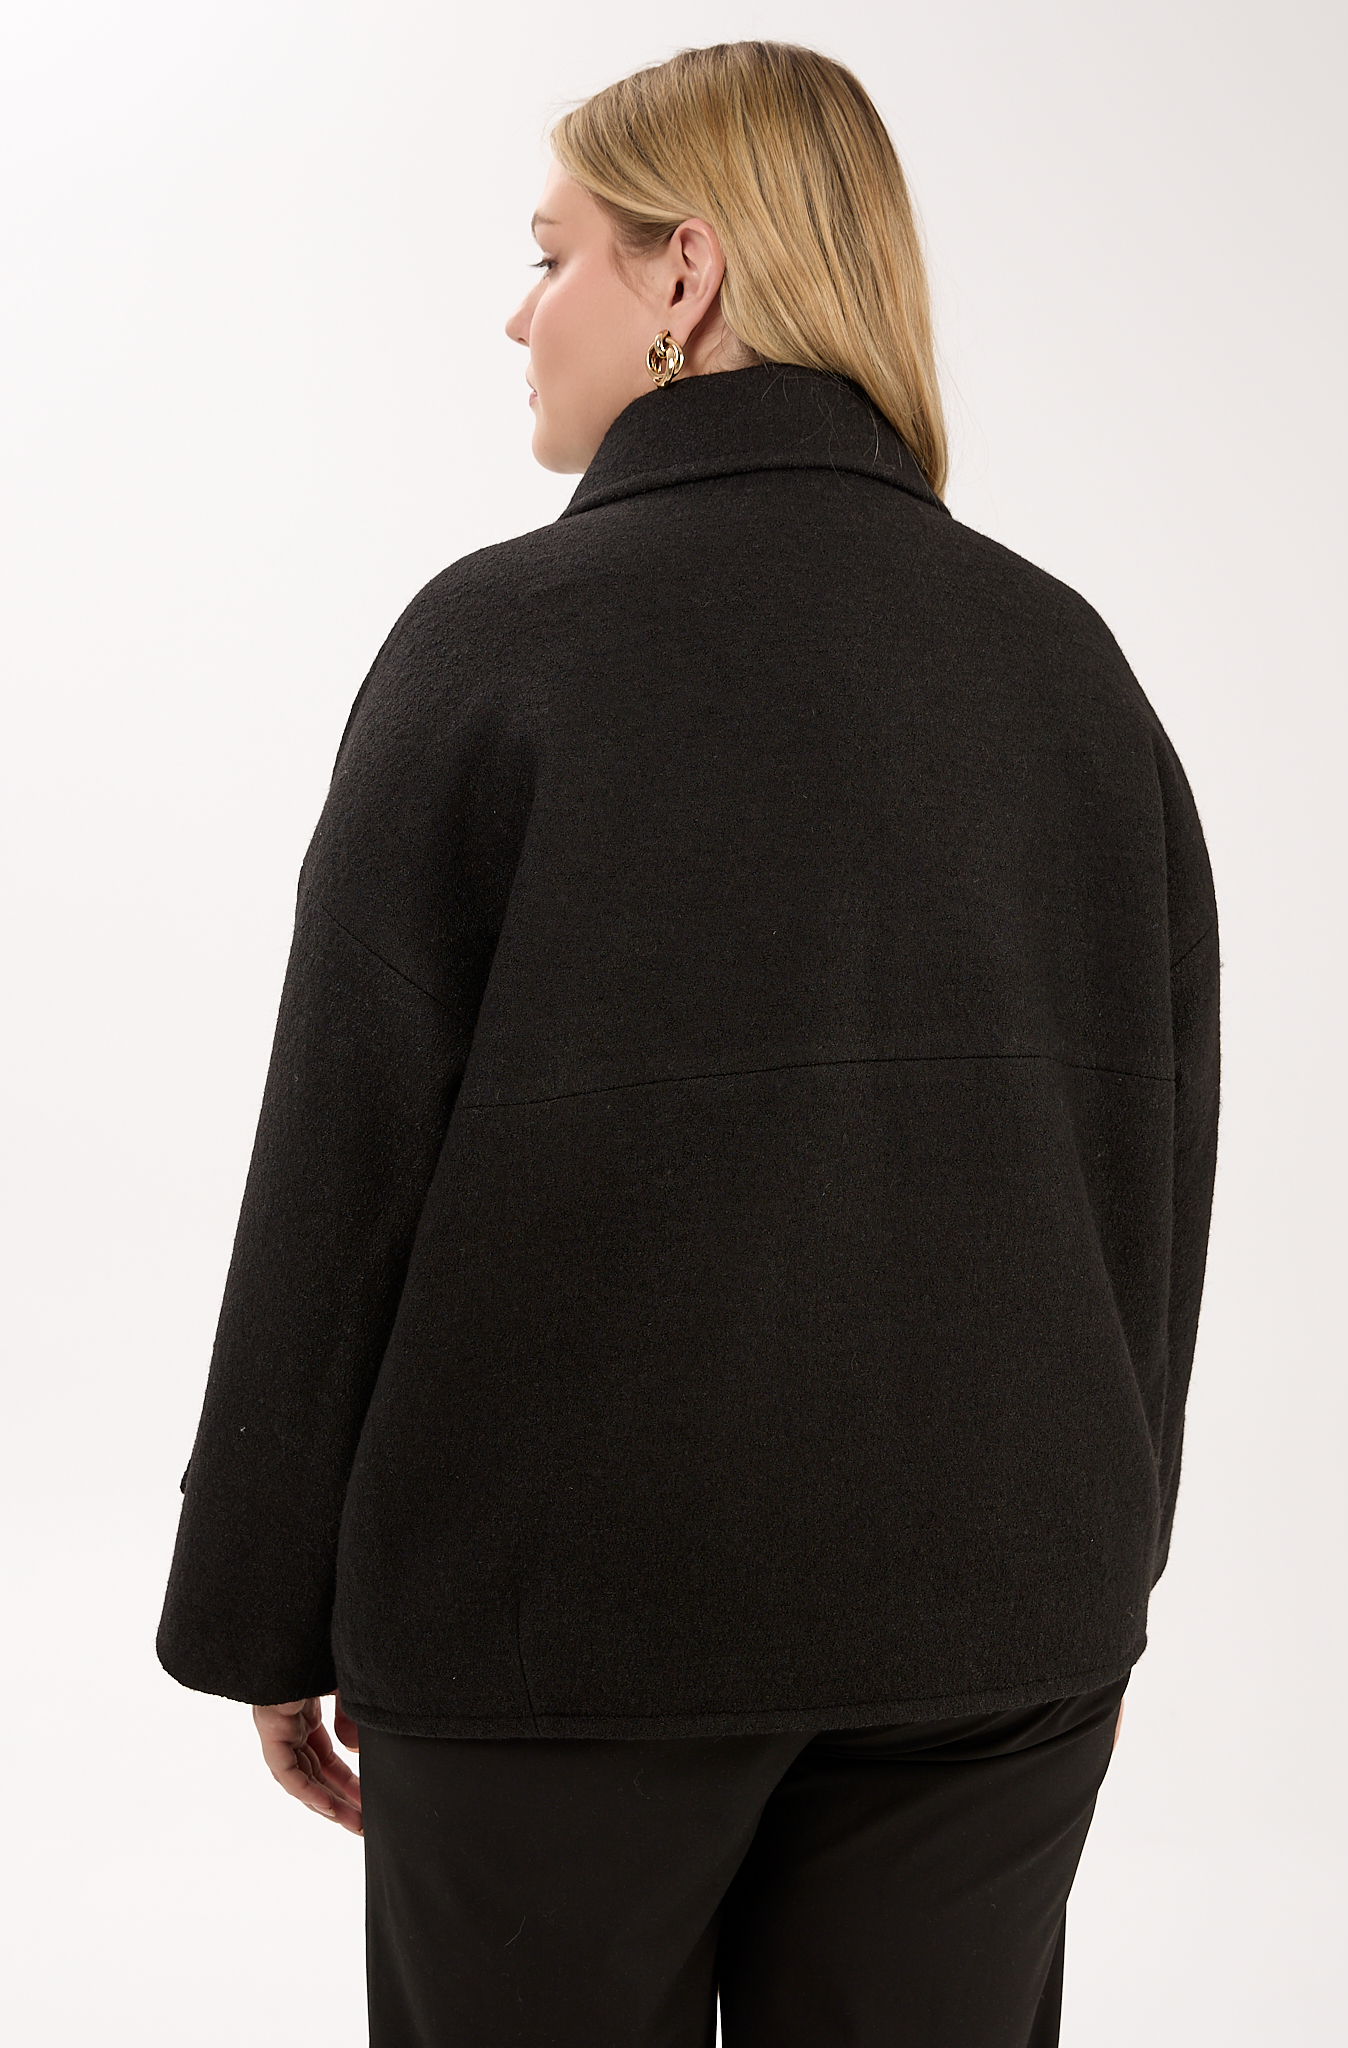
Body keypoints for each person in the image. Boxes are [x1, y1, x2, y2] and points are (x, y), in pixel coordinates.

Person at [157, 39, 1220, 2047]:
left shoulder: (499, 643)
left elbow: (344, 1154)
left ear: (687, 274)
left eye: (551, 251)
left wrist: (262, 1603)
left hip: (564, 1621)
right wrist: (1089, 1546)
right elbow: (1149, 1172)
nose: (518, 311)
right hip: (994, 1622)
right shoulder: (1065, 664)